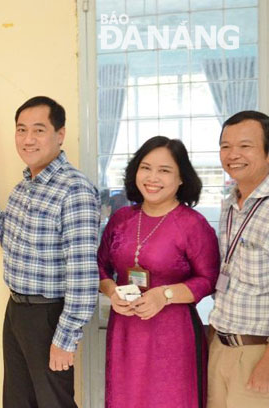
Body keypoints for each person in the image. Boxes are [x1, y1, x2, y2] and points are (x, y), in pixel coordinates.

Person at [0, 96, 100, 407]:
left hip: (50, 316)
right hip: (17, 310)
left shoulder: (74, 189)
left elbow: (83, 276)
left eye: (39, 130)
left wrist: (64, 339)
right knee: (18, 401)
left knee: (52, 402)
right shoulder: (23, 188)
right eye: (21, 130)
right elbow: (7, 237)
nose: (28, 139)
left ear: (60, 135)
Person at [97, 136, 219, 408]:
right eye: (146, 167)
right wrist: (111, 291)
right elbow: (100, 267)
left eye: (164, 170)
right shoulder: (122, 219)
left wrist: (164, 295)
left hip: (172, 335)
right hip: (125, 332)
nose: (153, 177)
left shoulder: (192, 225)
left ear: (181, 179)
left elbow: (208, 280)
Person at [208, 110, 269, 407]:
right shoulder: (231, 203)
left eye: (245, 146)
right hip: (222, 346)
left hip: (259, 353)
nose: (233, 154)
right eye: (225, 146)